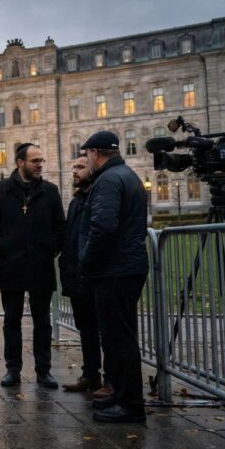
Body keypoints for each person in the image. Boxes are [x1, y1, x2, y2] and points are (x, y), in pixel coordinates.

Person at [0, 142, 65, 389]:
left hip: (41, 264)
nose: (40, 165)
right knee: (11, 320)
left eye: (41, 161)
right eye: (35, 161)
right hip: (12, 264)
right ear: (20, 163)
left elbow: (60, 225)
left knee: (42, 321)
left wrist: (51, 248)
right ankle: (13, 369)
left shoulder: (50, 190)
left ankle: (44, 370)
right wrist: (3, 247)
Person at [78, 131, 149, 423]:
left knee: (119, 339)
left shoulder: (108, 180)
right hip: (123, 266)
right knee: (119, 336)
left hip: (115, 269)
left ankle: (130, 404)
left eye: (87, 156)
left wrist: (86, 259)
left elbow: (103, 227)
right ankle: (120, 394)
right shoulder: (124, 174)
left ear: (95, 154)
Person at [59, 154, 104, 393]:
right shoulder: (77, 201)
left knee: (103, 328)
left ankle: (112, 378)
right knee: (86, 328)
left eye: (80, 166)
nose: (75, 171)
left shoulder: (97, 197)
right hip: (77, 274)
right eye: (73, 166)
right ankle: (91, 374)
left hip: (93, 274)